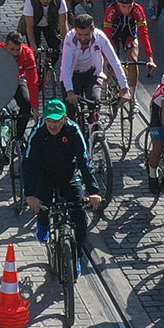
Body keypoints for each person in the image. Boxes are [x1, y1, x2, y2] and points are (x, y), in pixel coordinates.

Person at [19, 97, 105, 261]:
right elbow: (28, 162)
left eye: (56, 121)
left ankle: (77, 257)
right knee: (43, 206)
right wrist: (30, 194)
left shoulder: (73, 130)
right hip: (44, 175)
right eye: (49, 120)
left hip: (68, 175)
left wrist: (93, 191)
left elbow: (84, 160)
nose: (52, 125)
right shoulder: (38, 131)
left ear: (65, 119)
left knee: (79, 216)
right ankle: (43, 224)